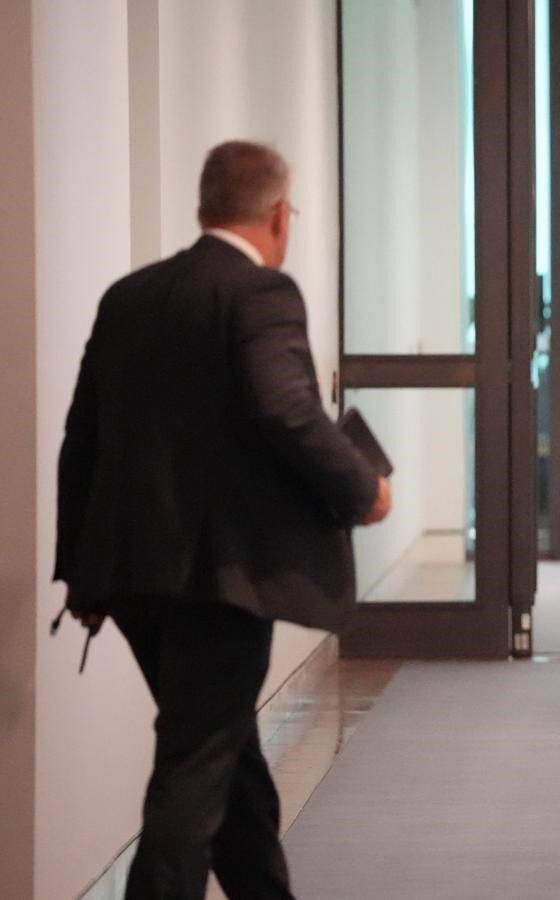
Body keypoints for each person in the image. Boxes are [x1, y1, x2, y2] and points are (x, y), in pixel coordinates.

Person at [54, 141, 392, 898]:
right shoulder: (260, 294)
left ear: (206, 205)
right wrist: (362, 488)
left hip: (136, 578)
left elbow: (84, 436)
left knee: (229, 764)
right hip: (222, 582)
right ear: (278, 214)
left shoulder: (129, 296)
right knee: (194, 775)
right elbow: (290, 411)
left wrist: (81, 568)